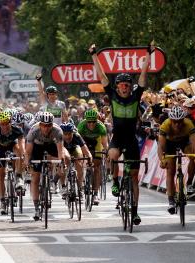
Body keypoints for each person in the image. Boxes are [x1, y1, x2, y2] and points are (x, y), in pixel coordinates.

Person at [89, 41, 154, 225]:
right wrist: (94, 55)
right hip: (117, 138)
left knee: (134, 176)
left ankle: (134, 211)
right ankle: (115, 181)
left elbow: (143, 75)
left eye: (127, 85)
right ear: (117, 87)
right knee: (113, 154)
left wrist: (148, 55)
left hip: (131, 139)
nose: (124, 87)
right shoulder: (113, 95)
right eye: (122, 85)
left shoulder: (136, 96)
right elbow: (102, 76)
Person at [158, 106, 195, 214]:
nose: (177, 124)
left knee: (193, 156)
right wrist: (162, 160)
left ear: (183, 120)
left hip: (184, 141)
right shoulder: (165, 125)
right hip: (169, 144)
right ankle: (171, 201)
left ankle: (189, 182)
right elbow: (161, 146)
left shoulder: (189, 124)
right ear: (171, 120)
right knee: (170, 170)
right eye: (175, 122)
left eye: (180, 122)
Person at [24, 112, 67, 220]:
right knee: (35, 177)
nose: (46, 128)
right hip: (37, 147)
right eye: (43, 125)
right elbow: (28, 152)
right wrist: (27, 164)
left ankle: (54, 181)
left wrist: (61, 163)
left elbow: (60, 151)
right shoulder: (33, 131)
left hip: (51, 145)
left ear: (52, 125)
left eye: (48, 125)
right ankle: (36, 207)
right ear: (40, 124)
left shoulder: (58, 131)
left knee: (65, 158)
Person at [0, 110, 25, 215]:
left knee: (19, 151)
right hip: (1, 149)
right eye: (2, 123)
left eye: (7, 123)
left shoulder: (17, 129)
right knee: (0, 174)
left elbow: (22, 146)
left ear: (10, 122)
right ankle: (2, 201)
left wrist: (22, 156)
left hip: (13, 146)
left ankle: (18, 177)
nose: (4, 126)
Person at [77, 109, 108, 205]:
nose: (91, 124)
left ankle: (95, 193)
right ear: (86, 120)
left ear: (97, 120)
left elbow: (104, 144)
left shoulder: (101, 127)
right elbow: (78, 143)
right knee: (80, 163)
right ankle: (80, 189)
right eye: (89, 121)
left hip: (96, 142)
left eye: (93, 121)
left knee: (97, 167)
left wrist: (106, 152)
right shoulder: (81, 126)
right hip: (84, 142)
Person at [60, 122, 93, 192]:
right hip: (64, 150)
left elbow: (86, 150)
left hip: (75, 149)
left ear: (72, 133)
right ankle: (63, 186)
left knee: (79, 165)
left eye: (69, 134)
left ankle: (80, 188)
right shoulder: (59, 137)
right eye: (65, 134)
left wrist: (89, 157)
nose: (67, 136)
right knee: (63, 165)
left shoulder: (77, 136)